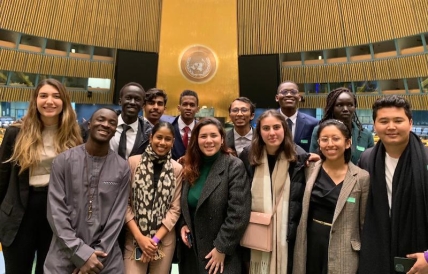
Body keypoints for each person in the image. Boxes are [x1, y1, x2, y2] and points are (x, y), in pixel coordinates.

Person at [0, 79, 82, 274]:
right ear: (35, 100)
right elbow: (1, 179)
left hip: (57, 215)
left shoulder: (76, 135)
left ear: (64, 101)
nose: (49, 101)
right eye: (43, 96)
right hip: (20, 214)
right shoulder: (15, 133)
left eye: (56, 96)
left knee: (48, 271)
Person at [44, 108, 130, 273]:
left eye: (112, 123)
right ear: (89, 125)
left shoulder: (122, 167)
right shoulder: (63, 161)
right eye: (100, 119)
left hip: (105, 258)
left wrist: (94, 259)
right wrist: (80, 253)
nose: (105, 125)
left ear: (115, 131)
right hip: (64, 254)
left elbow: (117, 217)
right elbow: (56, 213)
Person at [358, 95, 428, 274]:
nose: (391, 127)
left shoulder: (426, 160)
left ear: (410, 123)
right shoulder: (367, 159)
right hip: (377, 252)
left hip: (420, 255)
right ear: (374, 126)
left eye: (398, 120)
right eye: (383, 121)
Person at [293, 119, 370, 274]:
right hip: (310, 242)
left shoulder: (361, 177)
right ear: (318, 143)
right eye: (324, 139)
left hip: (344, 247)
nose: (330, 144)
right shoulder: (309, 170)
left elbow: (363, 222)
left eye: (336, 139)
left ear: (347, 143)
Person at [239, 109, 310, 274]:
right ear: (259, 132)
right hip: (255, 232)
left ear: (284, 129)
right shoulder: (248, 155)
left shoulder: (298, 157)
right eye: (266, 128)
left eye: (276, 127)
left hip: (285, 233)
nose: (272, 133)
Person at [178, 117, 251, 274]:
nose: (209, 141)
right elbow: (184, 203)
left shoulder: (234, 166)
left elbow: (239, 214)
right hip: (192, 251)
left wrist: (222, 248)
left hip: (219, 255)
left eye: (214, 135)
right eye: (203, 136)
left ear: (222, 138)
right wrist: (183, 223)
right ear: (196, 140)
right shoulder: (190, 165)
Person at [123, 122, 183, 273]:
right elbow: (125, 204)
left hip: (163, 241)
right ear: (151, 138)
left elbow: (175, 209)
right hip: (134, 238)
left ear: (173, 142)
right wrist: (141, 239)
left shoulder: (177, 169)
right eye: (159, 137)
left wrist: (154, 241)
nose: (162, 143)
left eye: (168, 139)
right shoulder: (133, 162)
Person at [310, 87, 374, 164]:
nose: (345, 109)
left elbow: (370, 163)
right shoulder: (319, 131)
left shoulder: (366, 135)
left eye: (350, 105)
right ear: (331, 108)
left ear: (355, 107)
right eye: (340, 105)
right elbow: (314, 161)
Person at [110, 82, 152, 159]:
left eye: (137, 99)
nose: (132, 102)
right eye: (128, 98)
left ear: (143, 105)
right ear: (120, 101)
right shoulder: (105, 123)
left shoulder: (149, 133)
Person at [276, 81, 318, 152]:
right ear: (277, 98)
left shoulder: (313, 123)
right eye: (284, 92)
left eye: (293, 92)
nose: (289, 95)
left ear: (299, 97)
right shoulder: (267, 121)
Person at [171, 90, 199, 161]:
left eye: (192, 105)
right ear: (179, 107)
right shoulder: (169, 128)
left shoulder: (201, 129)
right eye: (185, 104)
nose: (188, 108)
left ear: (197, 109)